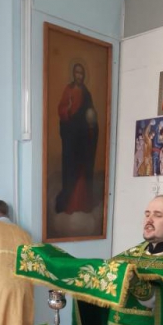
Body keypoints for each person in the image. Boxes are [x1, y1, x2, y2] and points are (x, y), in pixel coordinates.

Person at [16, 195, 163, 325]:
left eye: (158, 215)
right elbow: (102, 280)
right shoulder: (132, 254)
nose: (149, 220)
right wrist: (68, 272)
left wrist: (133, 281)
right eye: (147, 214)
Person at [55, 63, 98, 214]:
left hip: (83, 139)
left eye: (81, 73)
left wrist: (92, 124)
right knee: (71, 171)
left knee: (82, 171)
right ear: (73, 74)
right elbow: (61, 109)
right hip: (71, 138)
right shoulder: (69, 89)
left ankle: (82, 205)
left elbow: (92, 116)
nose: (79, 76)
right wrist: (67, 109)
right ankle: (69, 205)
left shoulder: (87, 93)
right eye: (77, 73)